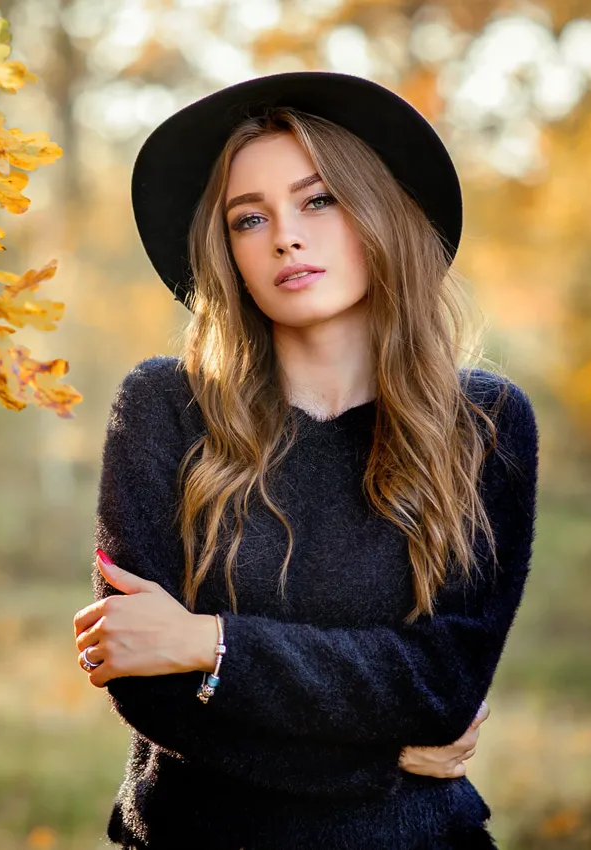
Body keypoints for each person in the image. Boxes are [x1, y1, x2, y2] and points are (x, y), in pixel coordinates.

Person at [71, 72, 540, 850]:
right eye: (248, 219)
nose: (285, 235)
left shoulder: (484, 423)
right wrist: (384, 757)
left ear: (380, 214)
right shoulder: (163, 407)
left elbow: (442, 681)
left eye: (317, 200)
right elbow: (147, 687)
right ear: (227, 253)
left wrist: (210, 645)